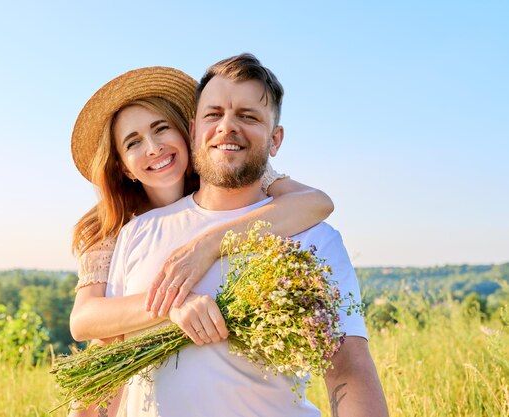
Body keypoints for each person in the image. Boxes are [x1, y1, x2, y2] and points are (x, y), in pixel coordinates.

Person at [105, 54, 389, 416]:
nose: (227, 127)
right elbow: (110, 363)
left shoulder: (314, 237)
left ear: (275, 140)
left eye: (248, 116)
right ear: (193, 131)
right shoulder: (139, 232)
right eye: (214, 114)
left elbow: (348, 368)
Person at [68, 66, 335, 417]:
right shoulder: (117, 230)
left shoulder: (224, 186)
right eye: (133, 142)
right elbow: (87, 322)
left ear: (188, 134)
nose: (153, 148)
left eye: (161, 128)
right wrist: (172, 303)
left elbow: (316, 202)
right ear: (124, 168)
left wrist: (211, 243)